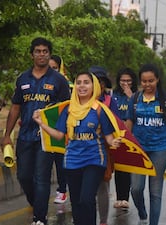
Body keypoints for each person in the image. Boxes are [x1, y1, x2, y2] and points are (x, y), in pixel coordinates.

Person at [32, 72, 122, 225]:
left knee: (87, 199)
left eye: (86, 82)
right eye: (78, 82)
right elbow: (60, 135)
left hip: (94, 160)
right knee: (77, 204)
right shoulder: (68, 109)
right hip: (72, 161)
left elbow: (108, 137)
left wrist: (114, 142)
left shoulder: (99, 109)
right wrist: (41, 123)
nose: (82, 86)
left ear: (93, 86)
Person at [1, 37, 70, 225]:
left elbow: (66, 108)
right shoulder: (22, 79)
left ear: (49, 54)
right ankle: (37, 204)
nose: (41, 54)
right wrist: (6, 135)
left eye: (45, 51)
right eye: (38, 51)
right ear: (32, 54)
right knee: (23, 176)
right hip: (25, 136)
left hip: (46, 138)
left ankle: (40, 218)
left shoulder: (59, 81)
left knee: (42, 177)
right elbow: (15, 107)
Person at [125, 64, 166, 225]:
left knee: (155, 192)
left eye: (151, 80)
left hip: (160, 150)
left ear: (157, 79)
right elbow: (128, 127)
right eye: (144, 81)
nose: (147, 84)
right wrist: (123, 148)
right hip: (138, 150)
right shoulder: (135, 99)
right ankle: (142, 214)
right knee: (136, 189)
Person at [89, 65, 119, 225]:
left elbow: (116, 124)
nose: (97, 85)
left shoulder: (109, 101)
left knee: (102, 186)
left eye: (100, 81)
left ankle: (103, 221)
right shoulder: (77, 101)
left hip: (102, 150)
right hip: (81, 151)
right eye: (94, 81)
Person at [111, 67, 138, 210]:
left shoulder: (137, 96)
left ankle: (124, 197)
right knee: (117, 167)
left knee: (125, 167)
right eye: (123, 80)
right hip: (115, 135)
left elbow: (138, 112)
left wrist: (131, 96)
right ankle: (118, 197)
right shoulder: (113, 94)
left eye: (128, 80)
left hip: (129, 134)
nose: (125, 83)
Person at [48, 55, 68, 204]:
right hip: (43, 128)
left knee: (60, 161)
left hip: (62, 129)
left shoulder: (68, 85)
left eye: (54, 68)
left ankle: (62, 190)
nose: (52, 71)